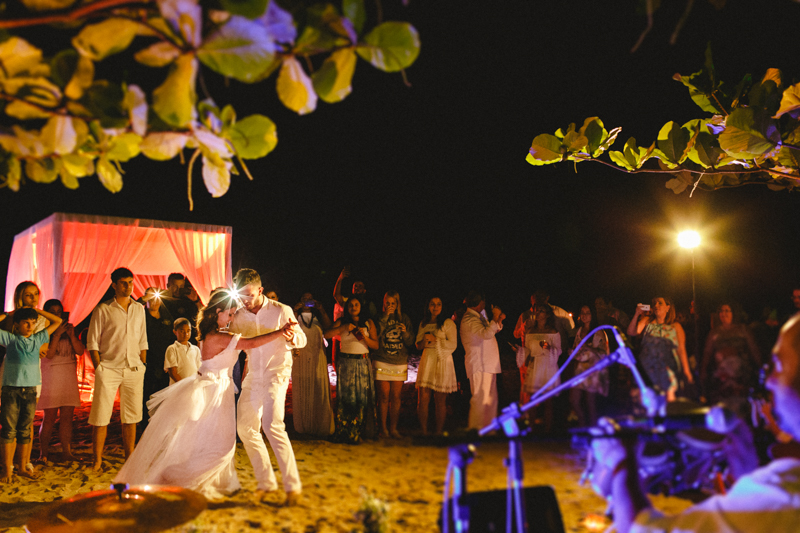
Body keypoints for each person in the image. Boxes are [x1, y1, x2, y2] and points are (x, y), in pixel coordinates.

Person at [591, 313, 800, 533]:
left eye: (778, 364)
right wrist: (747, 478)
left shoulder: (786, 491)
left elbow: (644, 529)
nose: (770, 381)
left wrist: (622, 463)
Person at [114, 289, 296, 500]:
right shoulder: (217, 336)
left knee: (208, 442)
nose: (231, 319)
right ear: (217, 312)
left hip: (219, 390)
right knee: (220, 445)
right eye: (229, 314)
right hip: (213, 392)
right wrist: (280, 331)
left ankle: (209, 481)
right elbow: (252, 343)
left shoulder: (213, 334)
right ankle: (175, 478)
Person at [229, 269, 306, 506]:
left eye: (249, 295)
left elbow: (302, 340)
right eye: (241, 296)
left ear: (260, 290)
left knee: (273, 425)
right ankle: (266, 482)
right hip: (253, 375)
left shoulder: (281, 310)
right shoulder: (239, 315)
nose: (245, 300)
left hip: (277, 373)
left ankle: (292, 486)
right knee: (245, 428)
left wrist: (292, 336)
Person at [86, 267, 148, 472]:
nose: (128, 286)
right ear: (114, 284)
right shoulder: (103, 309)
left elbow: (142, 339)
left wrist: (142, 364)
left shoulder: (138, 308)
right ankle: (97, 459)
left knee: (131, 416)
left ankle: (129, 456)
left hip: (134, 368)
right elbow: (92, 342)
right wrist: (99, 367)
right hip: (109, 367)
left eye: (130, 282)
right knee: (101, 415)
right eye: (123, 282)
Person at [0, 306, 62, 482]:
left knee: (25, 429)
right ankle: (7, 469)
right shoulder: (11, 339)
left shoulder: (38, 337)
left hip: (30, 389)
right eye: (26, 323)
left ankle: (21, 467)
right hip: (11, 389)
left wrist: (37, 310)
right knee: (9, 430)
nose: (30, 326)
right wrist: (8, 315)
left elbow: (57, 321)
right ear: (17, 325)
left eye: (32, 323)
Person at [324, 295, 379, 443]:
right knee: (347, 398)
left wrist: (364, 338)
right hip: (346, 363)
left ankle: (359, 432)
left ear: (361, 306)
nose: (353, 307)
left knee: (361, 399)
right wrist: (343, 328)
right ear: (347, 308)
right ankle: (345, 431)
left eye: (356, 305)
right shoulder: (343, 322)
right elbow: (326, 334)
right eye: (350, 305)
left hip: (362, 362)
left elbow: (376, 345)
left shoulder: (368, 323)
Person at [37, 299, 84, 463]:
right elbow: (48, 355)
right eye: (53, 311)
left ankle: (67, 451)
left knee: (67, 416)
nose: (56, 314)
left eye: (59, 311)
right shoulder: (43, 330)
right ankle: (43, 453)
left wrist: (71, 335)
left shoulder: (70, 328)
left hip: (68, 373)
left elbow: (79, 351)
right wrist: (56, 334)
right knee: (49, 416)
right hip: (51, 373)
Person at [627, 297, 694, 402]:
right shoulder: (647, 321)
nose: (656, 305)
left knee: (668, 401)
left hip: (667, 370)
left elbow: (681, 349)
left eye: (660, 303)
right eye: (654, 303)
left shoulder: (675, 326)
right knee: (648, 402)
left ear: (668, 308)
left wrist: (686, 370)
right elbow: (631, 332)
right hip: (647, 369)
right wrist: (636, 314)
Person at [701, 302, 761, 408]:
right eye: (721, 311)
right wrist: (704, 370)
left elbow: (753, 349)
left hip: (741, 373)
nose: (723, 314)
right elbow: (707, 352)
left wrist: (760, 366)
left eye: (727, 311)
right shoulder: (714, 332)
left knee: (742, 403)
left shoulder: (743, 329)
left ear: (733, 313)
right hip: (722, 375)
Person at [460, 290, 505, 430]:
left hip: (488, 363)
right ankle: (475, 428)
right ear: (480, 303)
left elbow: (491, 330)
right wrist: (495, 315)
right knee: (480, 398)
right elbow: (485, 334)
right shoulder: (469, 318)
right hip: (479, 364)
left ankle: (488, 429)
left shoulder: (477, 317)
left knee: (491, 399)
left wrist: (498, 320)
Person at [291, 293, 334, 436]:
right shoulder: (295, 315)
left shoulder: (318, 318)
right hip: (300, 358)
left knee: (318, 389)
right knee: (302, 388)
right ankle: (303, 426)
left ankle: (319, 424)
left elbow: (329, 329)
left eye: (310, 299)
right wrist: (295, 311)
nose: (307, 302)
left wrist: (321, 310)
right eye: (304, 299)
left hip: (317, 357)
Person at [373, 291, 414, 438]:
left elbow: (410, 342)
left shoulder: (404, 318)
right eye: (388, 303)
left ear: (397, 304)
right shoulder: (379, 317)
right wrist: (384, 318)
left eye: (393, 303)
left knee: (396, 396)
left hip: (399, 361)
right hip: (382, 359)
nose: (390, 306)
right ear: (384, 304)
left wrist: (405, 333)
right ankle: (382, 428)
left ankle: (393, 429)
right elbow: (375, 336)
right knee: (383, 395)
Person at [416, 297, 458, 435]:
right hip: (428, 359)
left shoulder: (448, 322)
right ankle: (423, 431)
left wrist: (437, 339)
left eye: (439, 304)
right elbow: (418, 345)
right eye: (432, 304)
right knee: (423, 397)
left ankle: (439, 432)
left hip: (442, 360)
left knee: (440, 400)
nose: (435, 307)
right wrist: (423, 341)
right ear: (428, 306)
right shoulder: (424, 322)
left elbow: (453, 344)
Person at [521, 305, 562, 432]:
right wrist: (521, 352)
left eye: (541, 311)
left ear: (547, 315)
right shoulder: (530, 332)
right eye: (537, 310)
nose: (538, 313)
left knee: (548, 401)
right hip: (535, 366)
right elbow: (527, 350)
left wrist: (548, 347)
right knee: (532, 400)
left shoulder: (553, 331)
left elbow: (559, 350)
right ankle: (531, 429)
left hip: (548, 366)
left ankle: (548, 430)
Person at [568, 305, 609, 427]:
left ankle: (592, 429)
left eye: (588, 312)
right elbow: (577, 349)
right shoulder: (579, 331)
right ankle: (583, 424)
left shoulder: (599, 331)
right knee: (573, 400)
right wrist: (572, 353)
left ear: (593, 315)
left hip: (593, 370)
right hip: (580, 369)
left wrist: (589, 348)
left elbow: (604, 353)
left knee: (590, 402)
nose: (584, 315)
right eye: (582, 312)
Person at [139, 287, 174, 426]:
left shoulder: (167, 316)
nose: (155, 302)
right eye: (151, 299)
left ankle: (160, 425)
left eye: (157, 299)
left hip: (164, 361)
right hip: (147, 361)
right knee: (146, 394)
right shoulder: (141, 316)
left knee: (163, 394)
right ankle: (144, 425)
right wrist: (143, 299)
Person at [164, 318, 202, 385]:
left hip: (193, 386)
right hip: (178, 388)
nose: (186, 334)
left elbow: (199, 369)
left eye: (188, 331)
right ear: (175, 332)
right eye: (182, 331)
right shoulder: (172, 349)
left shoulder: (196, 349)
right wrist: (184, 386)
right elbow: (173, 373)